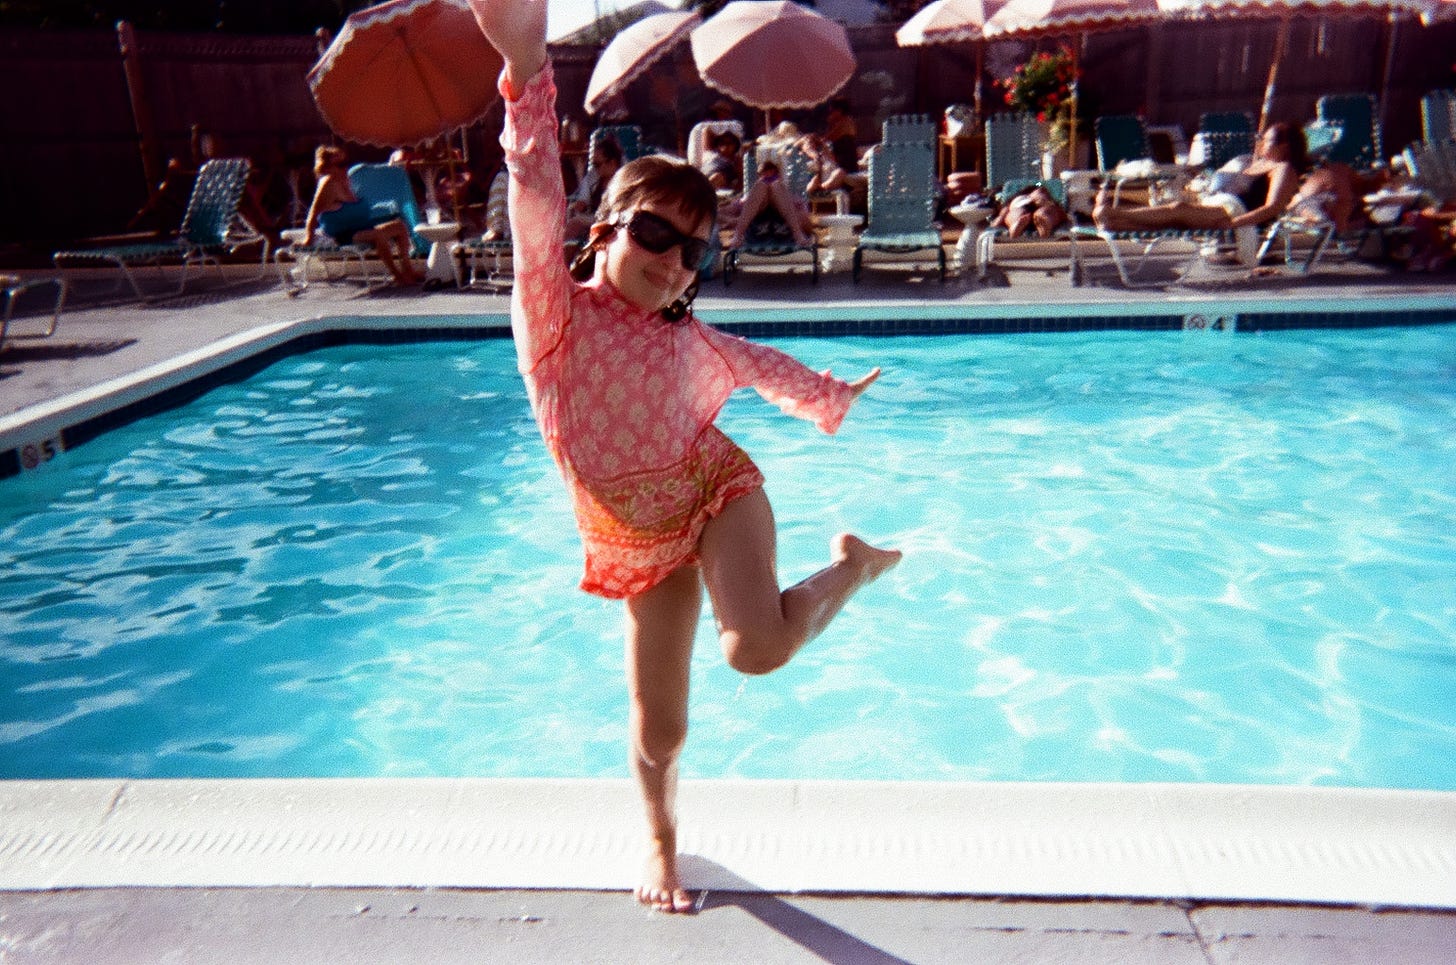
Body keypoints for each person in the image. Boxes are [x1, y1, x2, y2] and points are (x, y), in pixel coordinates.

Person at [468, 0, 901, 914]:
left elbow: (754, 363)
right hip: (634, 536)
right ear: (607, 231)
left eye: (692, 249)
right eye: (654, 235)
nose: (673, 262)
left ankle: (850, 575)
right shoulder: (555, 324)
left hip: (716, 489)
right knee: (660, 727)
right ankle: (662, 842)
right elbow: (535, 188)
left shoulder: (684, 334)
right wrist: (523, 66)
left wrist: (827, 395)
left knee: (754, 651)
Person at [1093, 122, 1309, 265]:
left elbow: (1272, 207)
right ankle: (1112, 221)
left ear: (1285, 146)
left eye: (1267, 140)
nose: (1261, 143)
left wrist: (1236, 223)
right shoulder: (1257, 162)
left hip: (1231, 212)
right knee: (1173, 219)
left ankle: (1111, 214)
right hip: (1218, 204)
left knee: (1178, 210)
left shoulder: (1284, 169)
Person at [302, 146, 424, 286]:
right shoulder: (328, 184)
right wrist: (308, 238)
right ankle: (397, 276)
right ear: (327, 168)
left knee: (400, 226)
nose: (345, 168)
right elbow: (313, 213)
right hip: (342, 233)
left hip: (358, 226)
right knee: (379, 234)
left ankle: (407, 270)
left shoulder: (345, 181)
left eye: (346, 163)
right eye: (340, 165)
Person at [726, 155, 816, 249]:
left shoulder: (795, 200)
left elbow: (808, 225)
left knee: (776, 187)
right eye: (765, 178)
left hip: (785, 234)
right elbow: (719, 214)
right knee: (761, 187)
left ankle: (798, 235)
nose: (769, 182)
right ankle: (738, 235)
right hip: (756, 231)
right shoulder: (746, 201)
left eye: (773, 177)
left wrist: (786, 208)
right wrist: (734, 220)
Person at [565, 135, 624, 241]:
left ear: (612, 162)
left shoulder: (625, 178)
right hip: (594, 217)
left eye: (597, 164)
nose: (594, 168)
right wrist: (578, 205)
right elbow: (583, 198)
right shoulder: (593, 177)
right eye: (593, 164)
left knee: (576, 222)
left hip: (617, 220)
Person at [989, 182, 1067, 239]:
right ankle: (1045, 222)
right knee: (1045, 213)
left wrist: (998, 220)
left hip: (1021, 205)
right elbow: (1041, 184)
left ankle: (1015, 223)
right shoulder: (1038, 189)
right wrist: (1038, 185)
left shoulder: (1011, 200)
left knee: (1017, 214)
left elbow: (1002, 215)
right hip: (1041, 203)